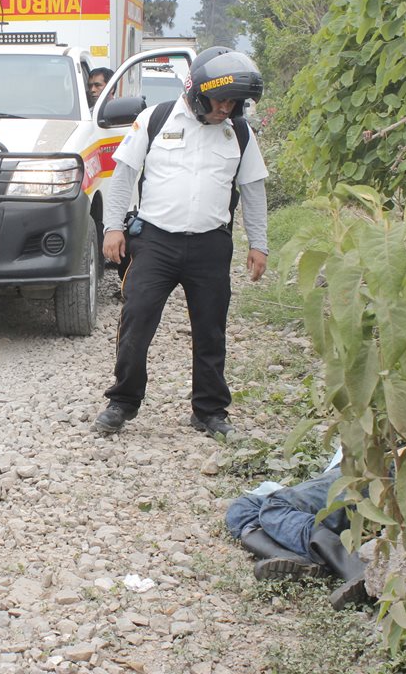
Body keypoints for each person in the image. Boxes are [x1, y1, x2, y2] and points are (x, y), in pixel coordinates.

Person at [93, 49, 269, 438]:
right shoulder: (154, 120)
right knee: (136, 319)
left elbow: (252, 188)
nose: (227, 108)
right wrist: (112, 228)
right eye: (221, 100)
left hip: (210, 245)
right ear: (197, 93)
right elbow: (123, 176)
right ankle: (122, 401)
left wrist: (259, 243)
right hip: (155, 243)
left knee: (210, 330)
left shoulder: (238, 131)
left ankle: (209, 411)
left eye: (234, 102)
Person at [226, 465, 369, 610]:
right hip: (352, 473)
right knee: (242, 509)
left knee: (275, 505)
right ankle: (294, 558)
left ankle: (356, 567)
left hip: (366, 471)